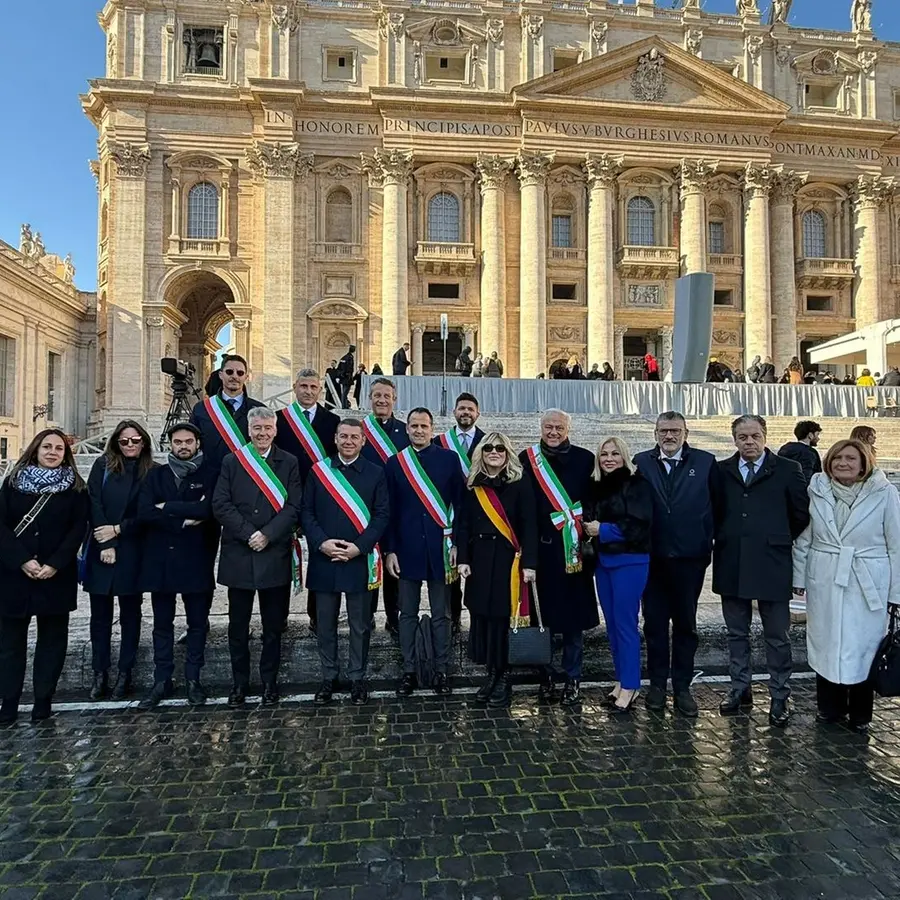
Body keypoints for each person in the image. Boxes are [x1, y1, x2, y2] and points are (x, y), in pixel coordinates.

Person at [792, 439, 900, 735]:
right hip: (826, 576)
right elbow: (805, 538)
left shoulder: (885, 493)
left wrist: (896, 593)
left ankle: (860, 714)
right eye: (837, 457)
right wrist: (799, 579)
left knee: (863, 646)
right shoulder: (817, 489)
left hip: (868, 581)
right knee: (826, 642)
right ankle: (829, 708)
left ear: (864, 462)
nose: (843, 463)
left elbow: (897, 544)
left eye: (850, 458)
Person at [714, 415, 810, 726]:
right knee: (736, 633)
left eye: (755, 435)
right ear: (735, 439)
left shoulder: (787, 469)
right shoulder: (721, 470)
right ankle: (740, 688)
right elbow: (715, 510)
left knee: (777, 635)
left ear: (765, 436)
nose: (749, 442)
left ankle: (781, 695)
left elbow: (800, 515)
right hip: (732, 560)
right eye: (742, 437)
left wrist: (775, 538)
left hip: (772, 561)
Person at [213, 407, 302, 707]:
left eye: (267, 428)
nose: (262, 433)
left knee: (272, 628)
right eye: (257, 429)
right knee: (237, 628)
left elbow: (293, 506)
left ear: (275, 430)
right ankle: (239, 684)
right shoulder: (232, 461)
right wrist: (249, 533)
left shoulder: (288, 462)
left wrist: (267, 534)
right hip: (240, 552)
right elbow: (221, 504)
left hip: (273, 552)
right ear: (248, 431)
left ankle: (269, 682)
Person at [0, 429, 89, 725]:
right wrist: (22, 560)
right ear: (35, 449)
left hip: (56, 575)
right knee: (10, 644)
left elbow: (78, 529)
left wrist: (55, 563)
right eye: (47, 447)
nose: (52, 452)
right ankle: (9, 703)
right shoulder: (12, 483)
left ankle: (42, 702)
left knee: (52, 642)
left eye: (59, 449)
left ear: (66, 454)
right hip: (15, 575)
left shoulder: (76, 487)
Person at [633, 412, 718, 717]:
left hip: (690, 558)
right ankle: (657, 685)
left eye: (675, 431)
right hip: (651, 558)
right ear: (655, 433)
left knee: (686, 625)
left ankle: (682, 687)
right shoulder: (641, 462)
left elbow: (718, 505)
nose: (669, 436)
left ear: (686, 432)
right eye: (663, 431)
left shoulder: (706, 462)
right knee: (654, 624)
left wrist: (707, 536)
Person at [302, 419, 390, 706]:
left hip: (357, 560)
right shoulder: (319, 471)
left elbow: (381, 516)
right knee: (324, 624)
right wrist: (321, 543)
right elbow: (307, 513)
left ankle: (357, 677)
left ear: (363, 441)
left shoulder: (376, 473)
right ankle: (329, 676)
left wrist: (359, 548)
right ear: (336, 439)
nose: (349, 441)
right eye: (344, 436)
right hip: (324, 558)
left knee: (359, 625)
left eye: (354, 437)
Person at [137, 422, 219, 710]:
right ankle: (162, 679)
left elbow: (208, 510)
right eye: (177, 442)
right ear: (169, 444)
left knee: (197, 625)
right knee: (162, 625)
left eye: (188, 441)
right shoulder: (155, 475)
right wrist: (183, 519)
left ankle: (193, 679)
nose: (183, 446)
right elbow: (144, 511)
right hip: (161, 562)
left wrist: (167, 507)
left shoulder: (210, 474)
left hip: (197, 559)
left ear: (197, 443)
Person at [383, 408, 464, 696]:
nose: (418, 430)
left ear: (432, 429)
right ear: (407, 429)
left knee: (442, 613)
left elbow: (461, 506)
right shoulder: (395, 464)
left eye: (424, 426)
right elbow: (388, 512)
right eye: (414, 426)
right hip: (406, 551)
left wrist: (458, 545)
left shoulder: (449, 459)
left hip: (441, 548)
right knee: (407, 613)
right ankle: (409, 671)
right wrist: (389, 551)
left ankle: (441, 670)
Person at [519, 410, 598, 704]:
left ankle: (572, 679)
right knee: (544, 620)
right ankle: (547, 678)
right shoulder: (526, 459)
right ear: (540, 427)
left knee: (573, 622)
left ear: (568, 429)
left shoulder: (585, 458)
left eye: (559, 427)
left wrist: (583, 525)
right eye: (549, 427)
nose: (553, 432)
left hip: (574, 552)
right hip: (542, 551)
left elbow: (592, 500)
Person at [457, 432, 537, 708]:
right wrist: (463, 559)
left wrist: (530, 564)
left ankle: (505, 678)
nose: (494, 452)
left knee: (503, 619)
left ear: (507, 453)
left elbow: (529, 526)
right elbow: (463, 524)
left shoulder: (519, 482)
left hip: (508, 562)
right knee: (484, 618)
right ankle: (491, 674)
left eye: (500, 448)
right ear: (481, 452)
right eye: (488, 447)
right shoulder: (473, 484)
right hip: (479, 560)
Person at [83, 420, 155, 702]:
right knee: (99, 617)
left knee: (130, 615)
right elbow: (94, 503)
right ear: (115, 443)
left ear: (144, 443)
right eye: (124, 441)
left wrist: (119, 530)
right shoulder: (102, 467)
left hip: (133, 550)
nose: (130, 446)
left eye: (136, 441)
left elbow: (149, 513)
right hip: (101, 549)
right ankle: (99, 673)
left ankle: (125, 672)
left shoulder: (153, 472)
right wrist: (107, 541)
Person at [583, 437, 653, 714]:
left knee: (625, 624)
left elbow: (640, 525)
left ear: (624, 456)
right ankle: (621, 680)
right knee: (612, 625)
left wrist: (604, 530)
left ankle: (631, 685)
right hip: (604, 562)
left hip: (630, 561)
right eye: (604, 454)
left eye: (614, 454)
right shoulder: (596, 487)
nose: (609, 458)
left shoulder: (637, 485)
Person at [274, 367, 340, 633]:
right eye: (304, 387)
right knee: (279, 559)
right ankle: (278, 616)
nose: (309, 392)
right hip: (284, 497)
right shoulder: (280, 419)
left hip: (320, 498)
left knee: (320, 559)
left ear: (320, 390)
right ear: (295, 387)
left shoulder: (332, 421)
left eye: (314, 387)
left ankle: (317, 615)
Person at [360, 378, 410, 636]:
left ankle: (394, 616)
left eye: (386, 396)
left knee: (394, 567)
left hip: (397, 511)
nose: (382, 400)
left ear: (394, 399)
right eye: (377, 395)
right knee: (368, 564)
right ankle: (366, 616)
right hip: (365, 510)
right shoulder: (358, 431)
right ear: (370, 398)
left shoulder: (406, 431)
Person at [433, 392, 485, 632]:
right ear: (454, 412)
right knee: (451, 569)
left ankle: (477, 621)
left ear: (477, 413)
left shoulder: (489, 442)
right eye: (461, 408)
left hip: (480, 515)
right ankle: (452, 618)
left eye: (470, 409)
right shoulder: (440, 442)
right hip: (450, 514)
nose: (466, 413)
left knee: (477, 570)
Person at [190, 354, 265, 475]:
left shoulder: (260, 410)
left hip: (249, 478)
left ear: (246, 377)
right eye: (229, 372)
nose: (234, 376)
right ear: (221, 374)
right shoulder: (201, 409)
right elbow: (192, 443)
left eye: (240, 373)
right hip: (212, 479)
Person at [778, 420, 823, 485]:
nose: (818, 438)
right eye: (817, 435)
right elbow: (807, 477)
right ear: (810, 435)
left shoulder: (785, 448)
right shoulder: (809, 453)